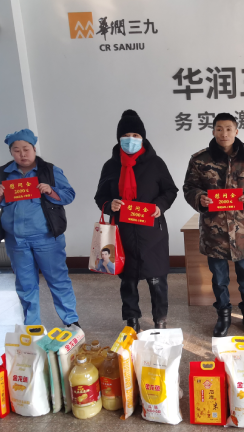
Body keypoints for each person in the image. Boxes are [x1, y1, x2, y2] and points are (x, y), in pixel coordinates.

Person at [183, 112, 244, 337]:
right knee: (219, 279)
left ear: (236, 131)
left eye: (229, 129)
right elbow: (189, 187)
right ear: (213, 131)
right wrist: (200, 197)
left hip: (243, 231)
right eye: (219, 129)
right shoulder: (200, 160)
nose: (224, 133)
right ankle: (223, 315)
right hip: (215, 232)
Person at [95, 110, 178, 332]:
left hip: (152, 233)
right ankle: (132, 321)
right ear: (118, 138)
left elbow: (170, 190)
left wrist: (159, 206)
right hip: (123, 234)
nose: (130, 139)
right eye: (126, 135)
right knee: (128, 281)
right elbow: (100, 197)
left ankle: (160, 320)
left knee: (157, 281)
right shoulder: (110, 166)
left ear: (142, 138)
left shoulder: (156, 163)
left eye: (135, 135)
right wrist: (109, 205)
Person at [0, 129, 79, 327]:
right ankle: (32, 325)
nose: (22, 154)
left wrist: (50, 190)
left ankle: (71, 321)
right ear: (11, 153)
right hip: (16, 240)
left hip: (46, 238)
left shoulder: (49, 170)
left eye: (26, 149)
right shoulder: (5, 173)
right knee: (25, 284)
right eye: (16, 150)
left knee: (58, 280)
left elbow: (69, 195)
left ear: (34, 149)